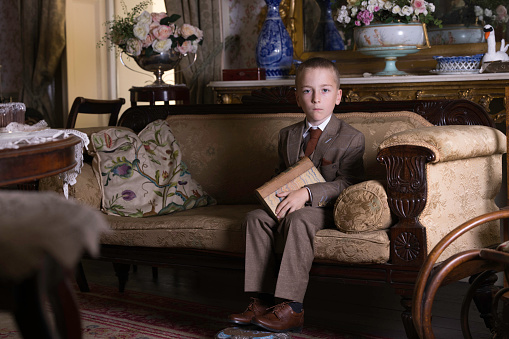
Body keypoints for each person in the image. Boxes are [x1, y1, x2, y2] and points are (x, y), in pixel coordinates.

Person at [228, 57, 365, 333]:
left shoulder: (351, 137)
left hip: (326, 208)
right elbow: (282, 173)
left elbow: (349, 183)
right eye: (307, 91)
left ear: (338, 96)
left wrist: (307, 193)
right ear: (297, 97)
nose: (316, 98)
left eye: (325, 90)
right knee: (255, 217)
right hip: (290, 202)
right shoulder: (287, 135)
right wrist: (274, 193)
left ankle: (292, 307)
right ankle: (261, 302)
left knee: (298, 220)